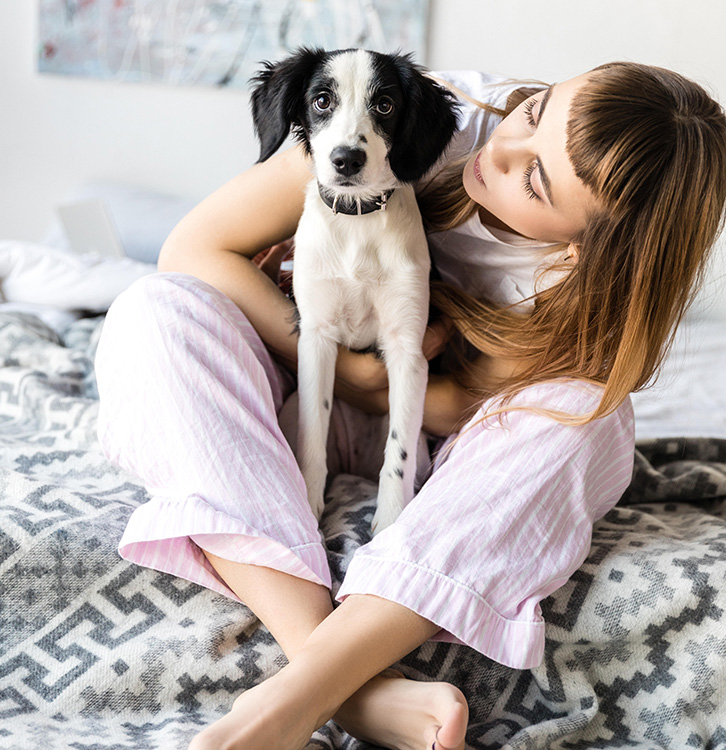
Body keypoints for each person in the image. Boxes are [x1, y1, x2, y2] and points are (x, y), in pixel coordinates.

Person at [94, 61, 726, 750]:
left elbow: (460, 410)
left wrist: (435, 380)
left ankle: (290, 699)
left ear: (585, 249)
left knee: (592, 417)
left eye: (534, 180)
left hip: (435, 454)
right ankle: (340, 688)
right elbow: (192, 248)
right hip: (291, 395)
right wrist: (351, 373)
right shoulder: (409, 117)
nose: (503, 149)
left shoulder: (589, 297)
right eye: (534, 111)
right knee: (156, 311)